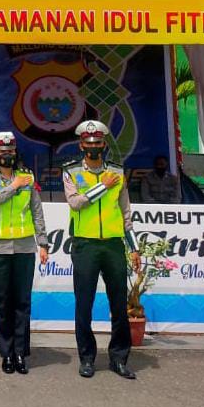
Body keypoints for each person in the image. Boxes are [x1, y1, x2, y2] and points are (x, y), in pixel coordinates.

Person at [63, 120, 139, 380]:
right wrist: (102, 187)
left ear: (104, 144)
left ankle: (119, 358)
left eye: (97, 143)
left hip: (114, 245)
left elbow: (125, 211)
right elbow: (76, 204)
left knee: (118, 304)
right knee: (84, 304)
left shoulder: (117, 171)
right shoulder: (71, 171)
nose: (93, 147)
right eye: (88, 143)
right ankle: (86, 358)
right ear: (81, 145)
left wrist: (134, 247)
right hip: (85, 245)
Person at [0, 132, 48, 375]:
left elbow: (36, 211)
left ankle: (20, 352)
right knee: (3, 302)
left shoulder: (28, 177)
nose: (6, 155)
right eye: (1, 151)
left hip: (24, 247)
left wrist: (43, 242)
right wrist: (13, 186)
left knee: (22, 302)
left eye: (10, 150)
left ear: (16, 152)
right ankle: (6, 354)